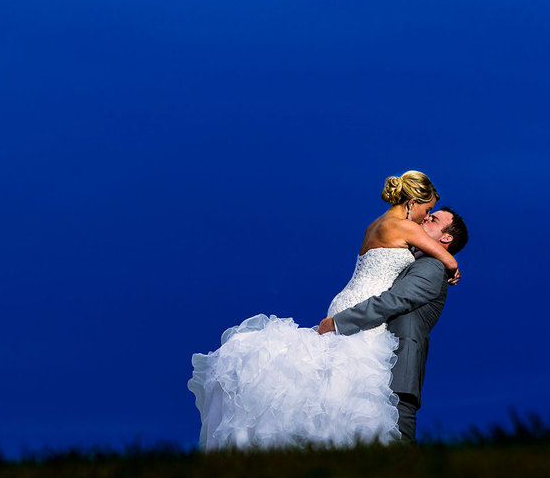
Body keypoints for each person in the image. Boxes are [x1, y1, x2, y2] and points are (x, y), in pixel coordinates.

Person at [188, 170, 460, 449]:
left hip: (345, 299)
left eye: (432, 215)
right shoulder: (407, 227)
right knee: (353, 393)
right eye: (427, 210)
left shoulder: (375, 225)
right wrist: (453, 267)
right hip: (360, 311)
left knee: (330, 384)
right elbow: (444, 257)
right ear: (413, 202)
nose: (426, 217)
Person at [316, 205, 468, 443]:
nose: (426, 218)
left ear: (446, 237)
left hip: (398, 373)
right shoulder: (418, 261)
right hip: (378, 364)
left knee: (398, 448)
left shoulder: (432, 266)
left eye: (434, 219)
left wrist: (339, 322)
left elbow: (395, 301)